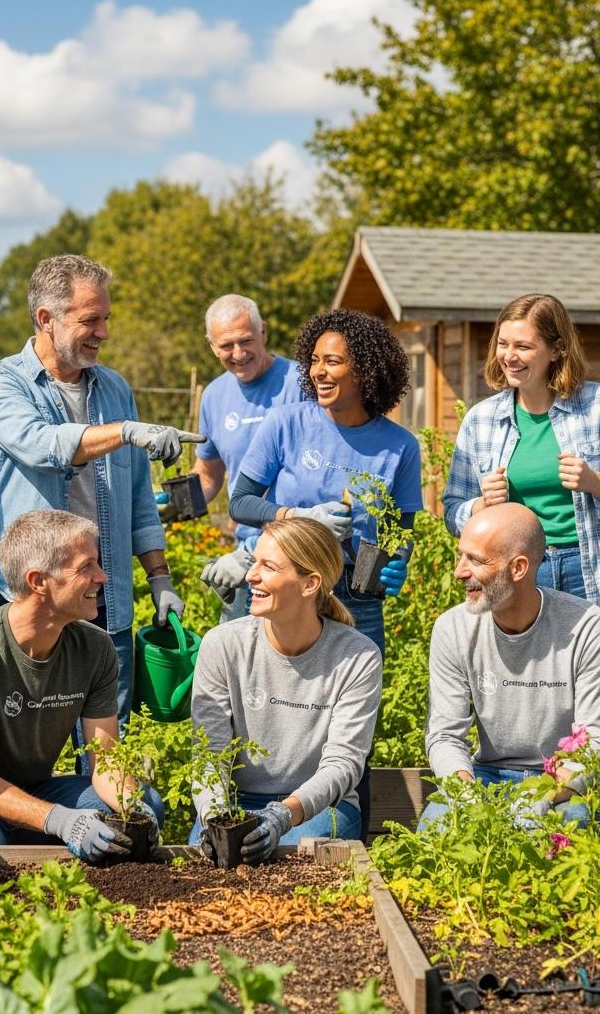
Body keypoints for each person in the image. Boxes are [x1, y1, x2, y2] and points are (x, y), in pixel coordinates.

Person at [0, 254, 202, 726]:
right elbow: (41, 444)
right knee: (6, 732)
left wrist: (160, 579)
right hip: (19, 592)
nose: (104, 332)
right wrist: (127, 432)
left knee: (103, 740)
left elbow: (138, 496)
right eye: (90, 320)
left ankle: (98, 804)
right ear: (46, 319)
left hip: (99, 592)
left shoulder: (115, 389)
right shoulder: (1, 381)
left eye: (106, 319)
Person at [443, 294, 600, 764]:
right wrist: (477, 504)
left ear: (556, 350)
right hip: (516, 576)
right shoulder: (481, 420)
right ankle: (531, 816)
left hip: (596, 576)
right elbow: (452, 506)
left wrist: (598, 483)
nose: (509, 356)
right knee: (527, 706)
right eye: (503, 344)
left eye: (525, 346)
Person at [0, 510, 163, 860]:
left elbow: (107, 760)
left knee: (147, 807)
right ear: (38, 581)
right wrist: (62, 821)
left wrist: (132, 806)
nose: (102, 577)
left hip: (36, 788)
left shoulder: (94, 648)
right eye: (86, 567)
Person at [227, 308, 423, 658]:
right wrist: (301, 518)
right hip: (285, 578)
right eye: (315, 360)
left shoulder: (400, 446)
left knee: (355, 694)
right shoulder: (285, 423)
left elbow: (401, 528)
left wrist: (398, 563)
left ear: (366, 369)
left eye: (332, 361)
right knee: (270, 686)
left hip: (358, 592)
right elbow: (240, 502)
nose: (319, 371)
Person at [189, 517, 382, 862]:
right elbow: (209, 754)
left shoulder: (357, 657)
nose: (251, 576)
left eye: (268, 567)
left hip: (319, 807)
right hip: (236, 803)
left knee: (281, 861)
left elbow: (343, 764)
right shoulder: (223, 645)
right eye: (254, 562)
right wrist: (214, 817)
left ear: (310, 584)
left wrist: (283, 815)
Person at [420, 504, 600, 830]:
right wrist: (466, 794)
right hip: (486, 776)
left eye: (476, 560)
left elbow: (596, 743)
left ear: (518, 568)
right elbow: (444, 735)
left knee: (565, 827)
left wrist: (542, 797)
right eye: (461, 556)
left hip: (564, 782)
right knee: (437, 829)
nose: (459, 571)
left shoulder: (587, 627)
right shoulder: (452, 628)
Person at [165, 295, 302, 620]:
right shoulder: (214, 396)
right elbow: (211, 473)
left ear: (263, 332)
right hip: (244, 553)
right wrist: (170, 504)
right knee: (238, 656)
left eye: (246, 341)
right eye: (227, 346)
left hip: (296, 549)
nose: (238, 354)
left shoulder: (300, 383)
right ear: (211, 345)